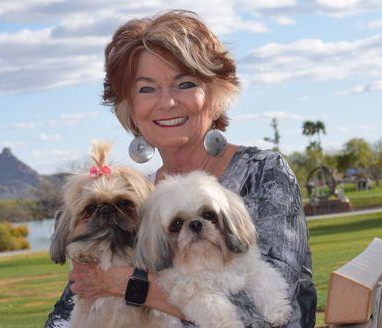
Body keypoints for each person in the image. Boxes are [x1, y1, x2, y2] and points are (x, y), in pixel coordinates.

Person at [45, 10, 317, 328]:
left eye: (184, 84)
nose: (167, 102)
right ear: (130, 110)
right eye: (146, 89)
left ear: (215, 94)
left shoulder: (264, 174)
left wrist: (128, 285)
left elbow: (260, 318)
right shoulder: (135, 201)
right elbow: (75, 303)